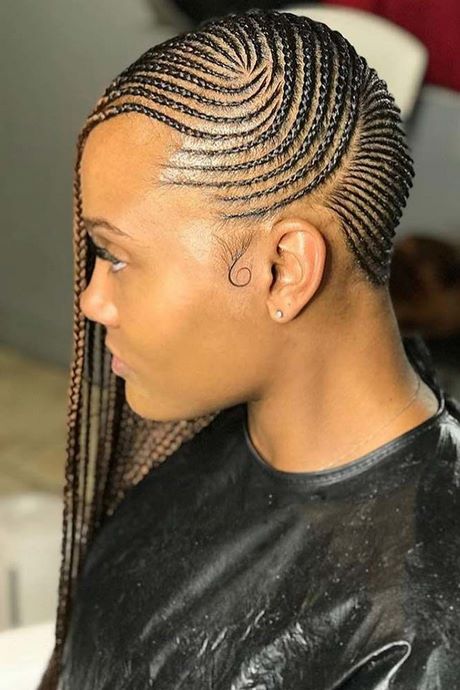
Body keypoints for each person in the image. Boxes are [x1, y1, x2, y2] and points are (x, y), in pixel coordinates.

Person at [37, 9, 460, 689]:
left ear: (283, 269)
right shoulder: (199, 441)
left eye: (116, 256)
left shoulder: (419, 638)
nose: (93, 301)